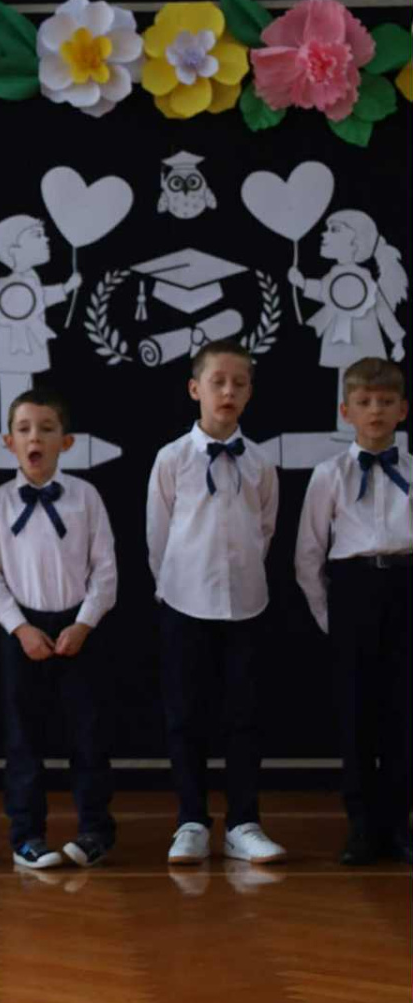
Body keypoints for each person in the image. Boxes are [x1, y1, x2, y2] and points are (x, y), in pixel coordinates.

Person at [146, 339, 285, 866]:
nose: (228, 391)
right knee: (185, 716)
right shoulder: (172, 459)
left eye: (239, 383)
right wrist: (175, 587)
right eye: (217, 382)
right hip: (184, 603)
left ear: (249, 393)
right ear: (194, 389)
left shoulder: (261, 462)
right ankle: (191, 821)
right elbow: (158, 535)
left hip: (247, 605)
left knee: (245, 716)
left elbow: (265, 529)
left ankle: (244, 822)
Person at [0, 389, 117, 869]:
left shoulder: (86, 497)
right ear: (9, 442)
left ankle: (95, 829)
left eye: (46, 428)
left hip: (78, 629)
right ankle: (27, 835)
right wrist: (20, 628)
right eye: (24, 429)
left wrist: (84, 623)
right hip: (23, 632)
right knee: (23, 739)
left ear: (66, 441)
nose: (34, 437)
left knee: (88, 735)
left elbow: (106, 569)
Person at [294, 356, 411, 864]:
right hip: (353, 593)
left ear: (403, 409)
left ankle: (399, 824)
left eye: (386, 401)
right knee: (356, 714)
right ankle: (362, 827)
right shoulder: (329, 475)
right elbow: (308, 555)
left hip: (405, 587)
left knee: (404, 713)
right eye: (364, 402)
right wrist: (331, 618)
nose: (376, 411)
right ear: (346, 411)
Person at [287, 209, 406, 432]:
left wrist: (397, 340)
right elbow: (325, 291)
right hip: (342, 339)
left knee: (365, 382)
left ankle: (366, 426)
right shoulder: (334, 275)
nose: (324, 235)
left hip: (363, 339)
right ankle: (347, 426)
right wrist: (302, 283)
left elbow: (382, 310)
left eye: (335, 230)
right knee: (346, 382)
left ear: (355, 242)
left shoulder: (364, 279)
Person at [0, 215, 80, 432]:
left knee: (24, 399)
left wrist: (66, 287)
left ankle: (19, 437)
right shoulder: (9, 286)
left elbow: (40, 297)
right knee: (13, 399)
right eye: (37, 235)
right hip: (10, 356)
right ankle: (9, 438)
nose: (46, 239)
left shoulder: (31, 279)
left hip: (22, 356)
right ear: (14, 249)